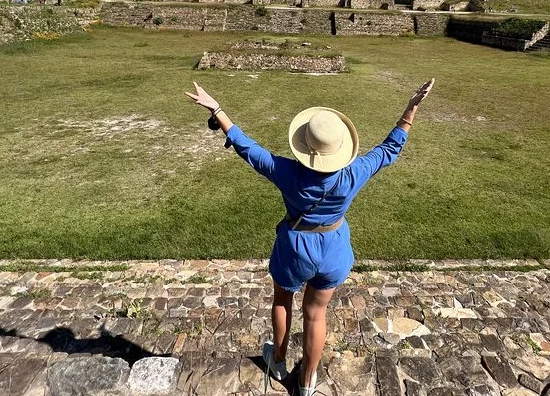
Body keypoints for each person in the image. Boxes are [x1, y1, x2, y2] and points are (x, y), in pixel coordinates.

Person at [185, 78, 435, 395]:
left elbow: (248, 148)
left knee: (282, 300)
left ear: (305, 146)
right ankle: (306, 382)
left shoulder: (287, 172)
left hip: (294, 249)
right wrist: (411, 108)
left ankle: (278, 362)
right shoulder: (354, 172)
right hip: (333, 249)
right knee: (316, 315)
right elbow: (389, 149)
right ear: (340, 149)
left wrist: (217, 110)